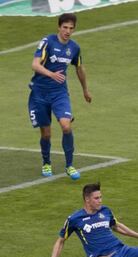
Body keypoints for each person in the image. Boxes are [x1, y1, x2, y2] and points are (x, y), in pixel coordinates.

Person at [28, 13, 92, 180]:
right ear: (59, 27)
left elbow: (79, 68)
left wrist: (85, 89)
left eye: (71, 28)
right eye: (65, 27)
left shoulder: (74, 48)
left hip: (59, 93)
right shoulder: (47, 42)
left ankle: (70, 165)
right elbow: (34, 64)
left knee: (66, 126)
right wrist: (51, 74)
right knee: (46, 134)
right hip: (40, 93)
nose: (68, 31)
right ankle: (46, 162)